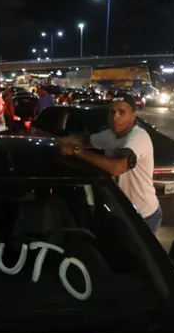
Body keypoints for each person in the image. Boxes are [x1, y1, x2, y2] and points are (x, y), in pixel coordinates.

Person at [58, 93, 162, 234]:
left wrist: (76, 151)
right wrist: (64, 141)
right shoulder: (110, 135)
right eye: (112, 112)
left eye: (122, 113)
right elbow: (84, 140)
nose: (115, 117)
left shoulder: (138, 138)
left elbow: (117, 168)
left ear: (133, 116)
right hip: (120, 211)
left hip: (143, 215)